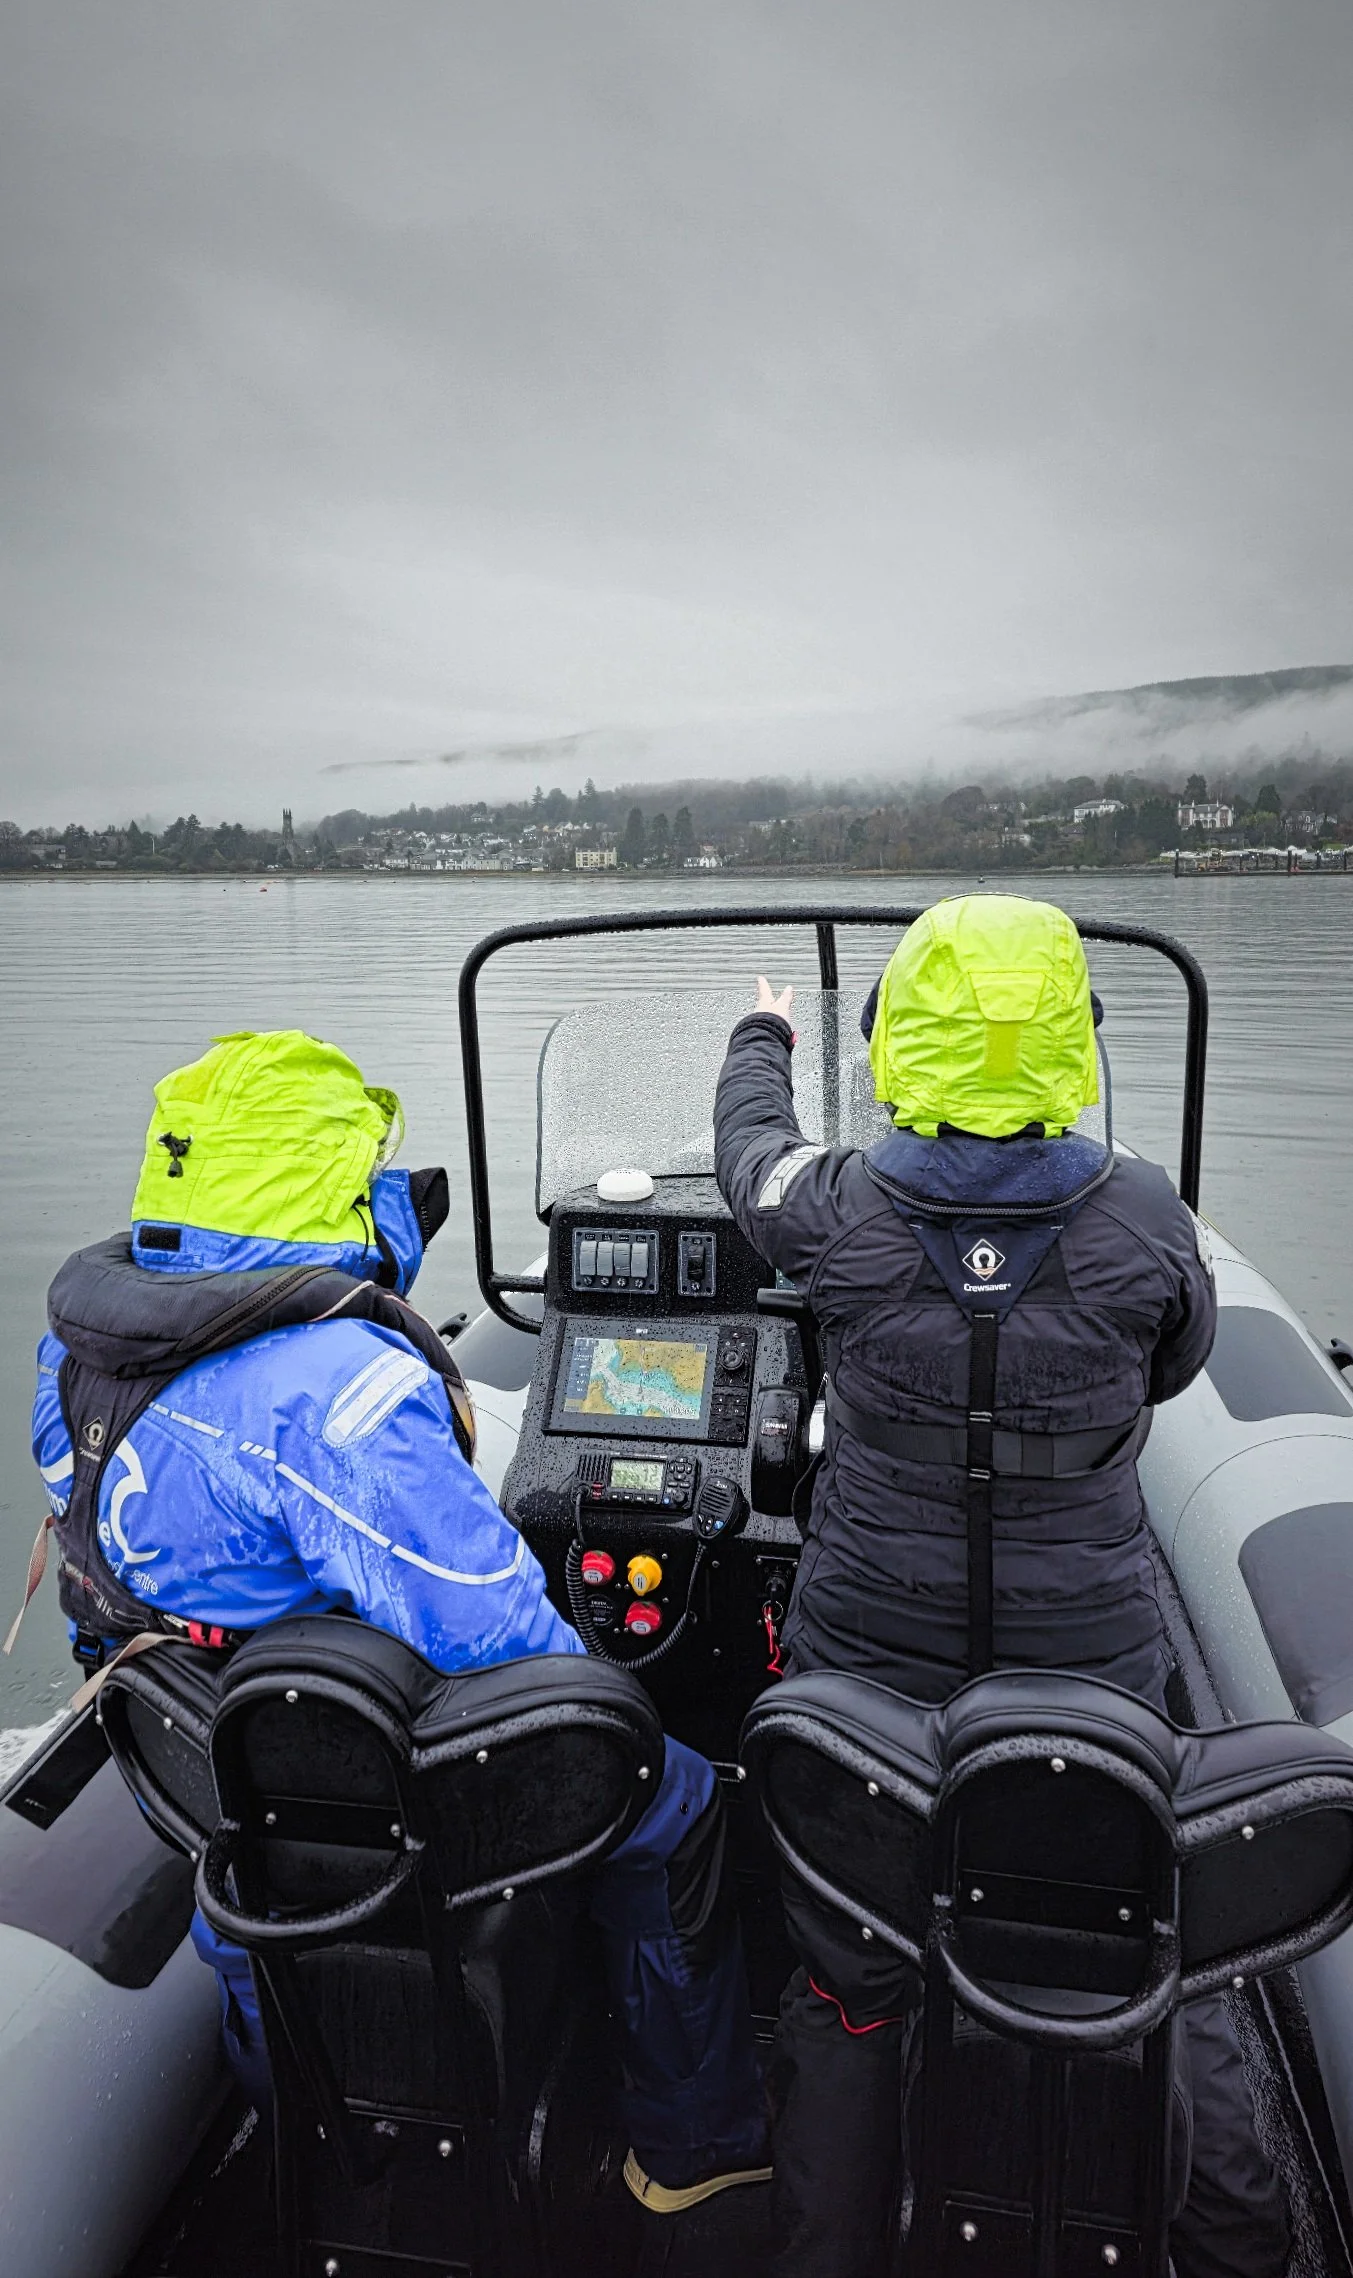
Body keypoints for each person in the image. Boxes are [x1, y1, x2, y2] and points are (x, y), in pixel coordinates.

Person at [24, 1028, 769, 2228]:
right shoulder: (337, 1391)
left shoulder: (79, 1351)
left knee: (250, 1890)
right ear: (323, 1178)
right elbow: (503, 1640)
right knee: (671, 1798)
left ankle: (305, 2143)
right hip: (381, 1781)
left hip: (211, 1762)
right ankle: (697, 2154)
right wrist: (617, 1693)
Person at [712, 895, 1289, 2278]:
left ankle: (825, 2250)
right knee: (1154, 1938)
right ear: (1073, 1043)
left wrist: (758, 1033)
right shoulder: (1144, 1211)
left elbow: (747, 1157)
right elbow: (1175, 1360)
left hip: (862, 1673)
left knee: (850, 1975)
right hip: (1085, 1667)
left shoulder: (834, 1207)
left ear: (892, 1034)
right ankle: (1239, 2241)